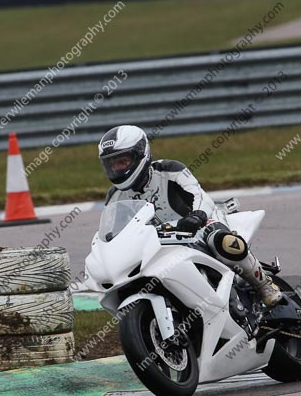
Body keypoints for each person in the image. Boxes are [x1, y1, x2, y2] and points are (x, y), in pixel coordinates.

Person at [98, 125, 282, 307]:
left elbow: (199, 194)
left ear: (140, 154)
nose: (116, 168)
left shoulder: (169, 170)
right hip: (157, 245)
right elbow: (113, 234)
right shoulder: (114, 197)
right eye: (111, 164)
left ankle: (264, 285)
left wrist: (198, 215)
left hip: (198, 228)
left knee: (223, 242)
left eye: (122, 161)